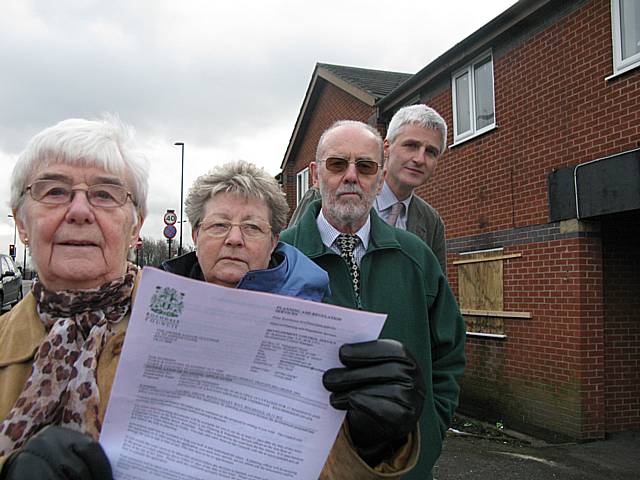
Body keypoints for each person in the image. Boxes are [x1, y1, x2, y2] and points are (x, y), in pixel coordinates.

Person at [161, 160, 425, 478]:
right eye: (219, 225)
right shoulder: (151, 315)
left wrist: (379, 441)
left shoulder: (320, 326)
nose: (234, 238)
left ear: (274, 241)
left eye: (252, 227)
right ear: (195, 234)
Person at [280, 120, 466, 480]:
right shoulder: (280, 259)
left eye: (365, 166)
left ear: (379, 179)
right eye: (338, 165)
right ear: (316, 176)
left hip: (402, 468)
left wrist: (428, 435)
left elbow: (449, 355)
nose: (351, 176)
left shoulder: (417, 258)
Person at [0, 116, 147, 479]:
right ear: (21, 223)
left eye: (104, 194)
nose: (80, 211)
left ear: (135, 226)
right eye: (54, 192)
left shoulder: (208, 339)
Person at [288, 104, 448, 274]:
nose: (419, 159)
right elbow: (291, 255)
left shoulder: (431, 221)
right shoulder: (326, 196)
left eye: (431, 152)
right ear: (386, 148)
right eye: (411, 146)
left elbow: (435, 286)